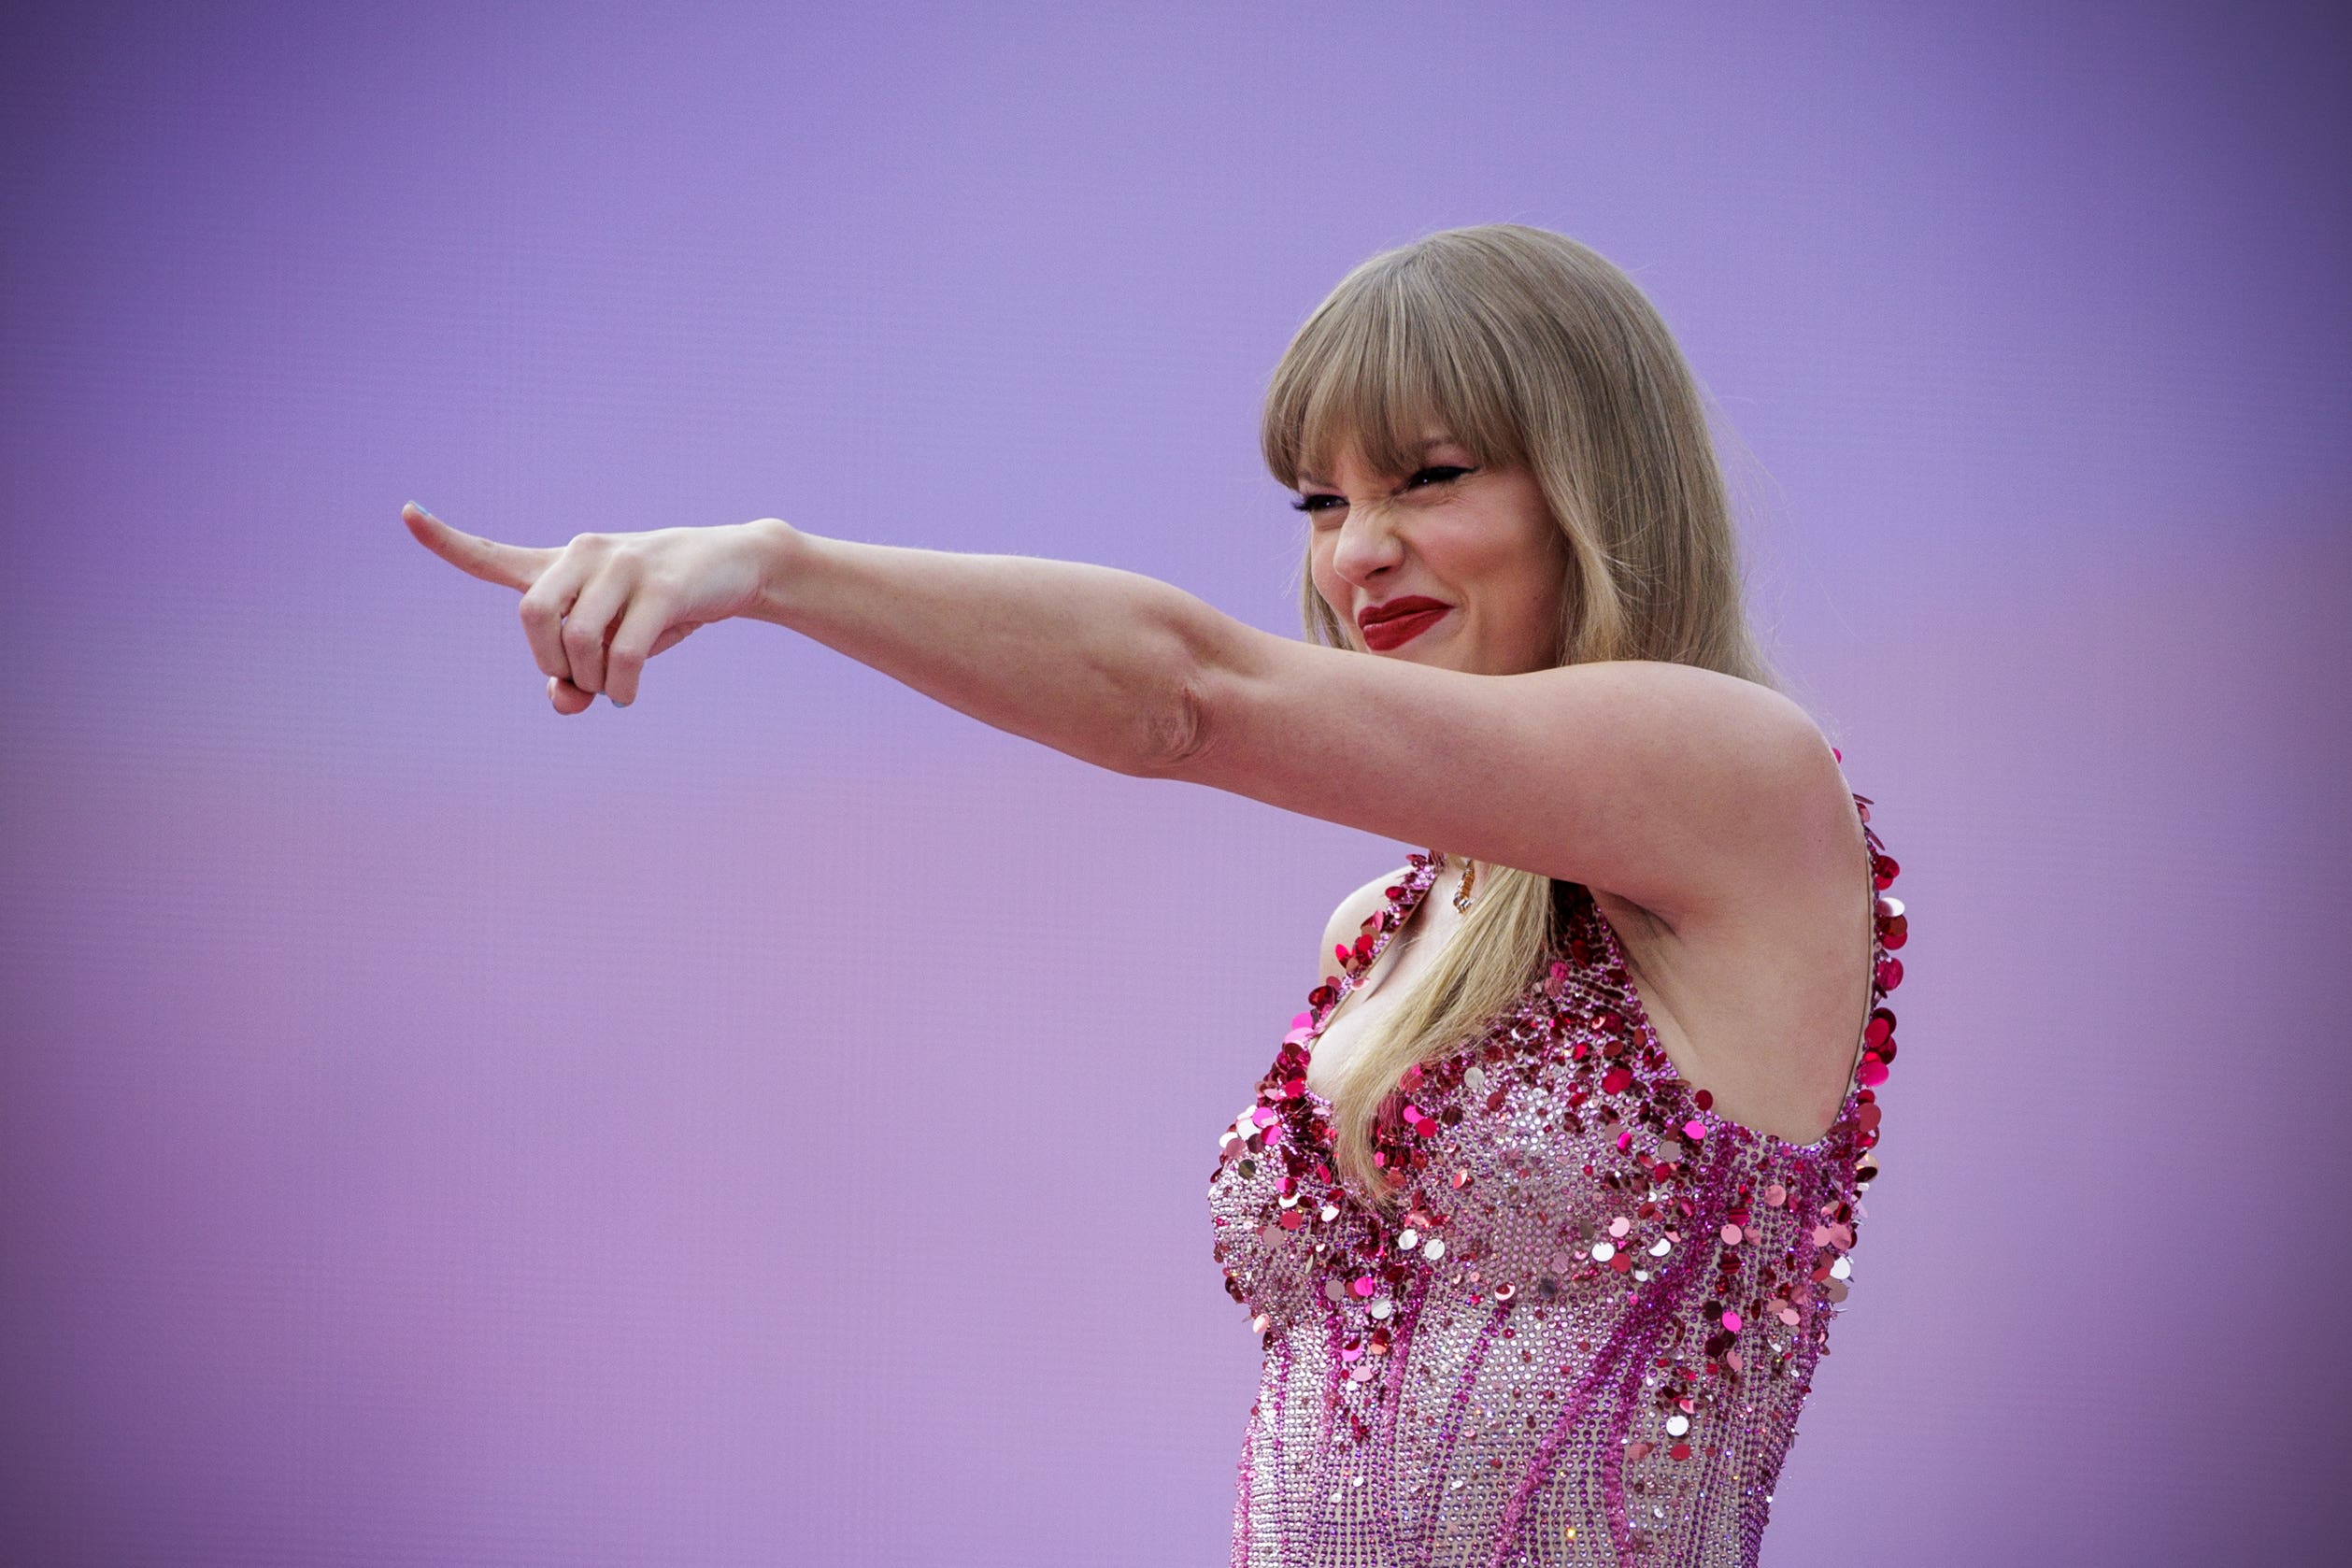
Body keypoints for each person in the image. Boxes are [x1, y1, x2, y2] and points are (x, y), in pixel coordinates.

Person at [405, 221, 1907, 1566]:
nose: (1357, 551)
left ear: (1593, 482)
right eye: (1321, 500)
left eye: (1428, 477)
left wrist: (770, 567)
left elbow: (1186, 695)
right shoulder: (1383, 932)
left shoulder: (1743, 784)